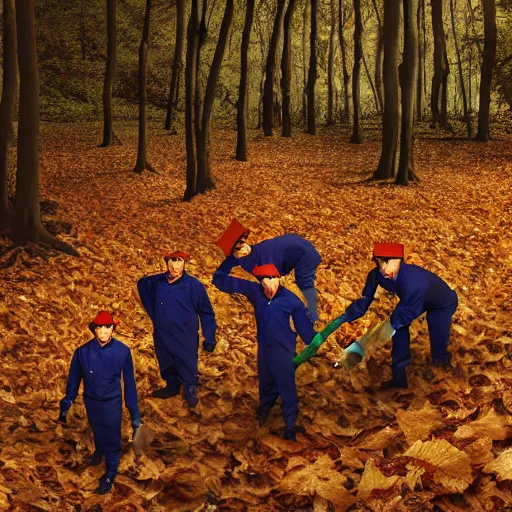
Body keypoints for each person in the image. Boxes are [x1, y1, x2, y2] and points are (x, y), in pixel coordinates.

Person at [213, 258, 316, 441]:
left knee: (286, 387)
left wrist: (312, 338)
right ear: (260, 281)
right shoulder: (256, 292)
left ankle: (289, 425)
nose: (271, 284)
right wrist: (231, 260)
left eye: (274, 278)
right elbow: (222, 281)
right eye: (266, 279)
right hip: (265, 349)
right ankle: (265, 409)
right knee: (266, 381)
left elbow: (308, 334)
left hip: (283, 352)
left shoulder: (292, 302)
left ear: (279, 279)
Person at [330, 243, 458, 389]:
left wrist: (361, 347)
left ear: (399, 260)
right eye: (380, 262)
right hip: (414, 299)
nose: (384, 268)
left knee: (435, 338)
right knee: (399, 332)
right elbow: (363, 303)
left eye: (389, 262)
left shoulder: (412, 282)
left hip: (441, 303)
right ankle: (399, 379)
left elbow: (397, 320)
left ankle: (443, 373)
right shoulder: (377, 275)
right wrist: (343, 318)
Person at [58, 311, 141, 495]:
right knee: (97, 428)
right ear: (94, 329)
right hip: (91, 400)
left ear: (113, 328)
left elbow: (129, 383)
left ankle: (110, 474)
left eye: (107, 327)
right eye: (99, 327)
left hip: (111, 401)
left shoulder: (122, 351)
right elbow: (74, 378)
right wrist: (68, 399)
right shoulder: (82, 352)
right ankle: (100, 450)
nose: (103, 331)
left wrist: (134, 413)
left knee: (112, 438)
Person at [136, 251, 216, 406]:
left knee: (186, 362)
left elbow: (206, 312)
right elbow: (141, 283)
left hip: (185, 333)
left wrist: (209, 337)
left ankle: (190, 389)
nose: (175, 265)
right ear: (167, 264)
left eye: (179, 261)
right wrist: (153, 314)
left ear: (184, 264)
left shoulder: (194, 286)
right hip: (162, 332)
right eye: (172, 261)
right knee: (166, 361)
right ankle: (172, 387)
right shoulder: (159, 282)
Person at [215, 219, 322, 322]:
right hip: (294, 248)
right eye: (238, 249)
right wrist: (220, 277)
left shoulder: (264, 258)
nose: (245, 249)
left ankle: (313, 316)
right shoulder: (240, 258)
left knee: (304, 282)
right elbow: (226, 267)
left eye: (243, 244)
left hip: (305, 254)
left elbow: (272, 287)